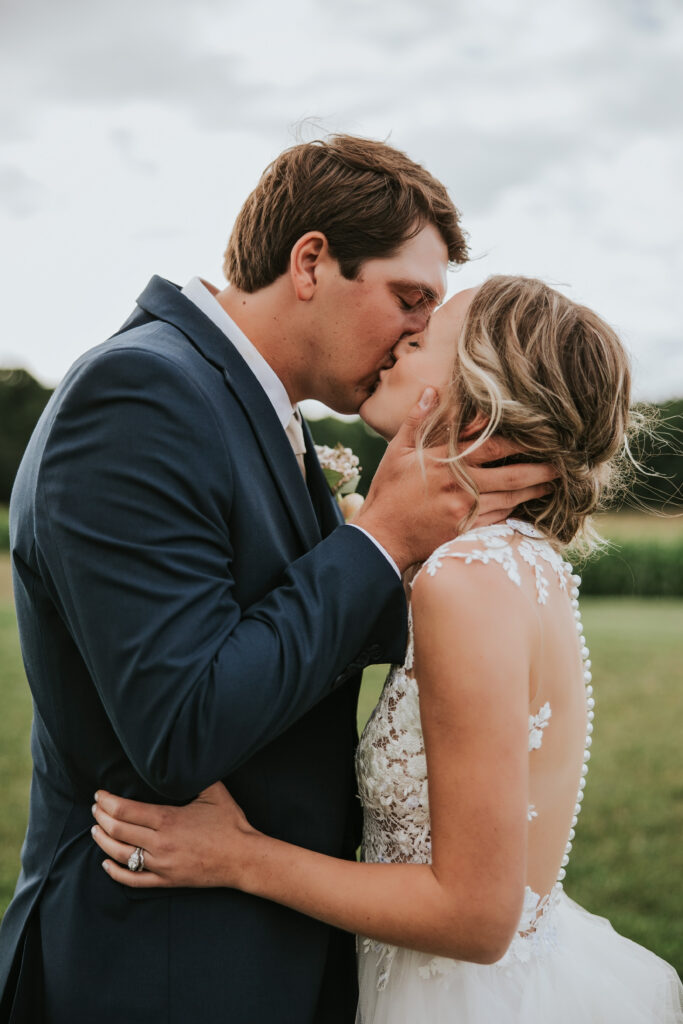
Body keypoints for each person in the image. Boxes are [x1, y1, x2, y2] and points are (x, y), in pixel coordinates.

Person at [0, 138, 555, 1024]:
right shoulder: (143, 393)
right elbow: (181, 724)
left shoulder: (256, 410)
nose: (416, 333)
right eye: (406, 300)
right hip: (161, 965)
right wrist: (375, 539)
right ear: (310, 262)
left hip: (265, 950)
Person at [92, 276, 683, 1023]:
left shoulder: (466, 583)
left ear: (479, 402)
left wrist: (238, 856)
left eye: (418, 343)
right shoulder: (511, 562)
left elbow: (474, 917)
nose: (395, 346)